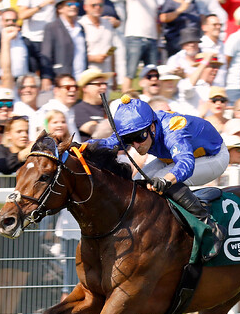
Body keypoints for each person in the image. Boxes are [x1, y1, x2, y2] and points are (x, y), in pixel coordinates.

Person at [88, 96, 228, 260]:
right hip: (171, 158)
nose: (136, 145)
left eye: (140, 137)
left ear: (152, 127)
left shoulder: (173, 129)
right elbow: (108, 143)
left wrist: (166, 180)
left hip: (212, 157)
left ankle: (210, 227)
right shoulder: (139, 128)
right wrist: (80, 146)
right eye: (128, 140)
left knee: (161, 180)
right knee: (138, 183)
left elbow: (186, 163)